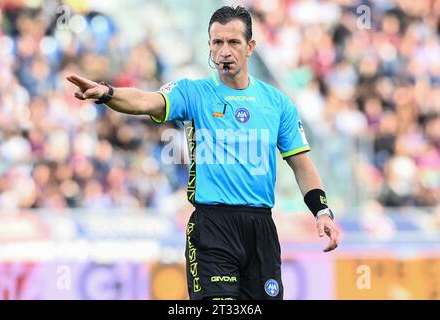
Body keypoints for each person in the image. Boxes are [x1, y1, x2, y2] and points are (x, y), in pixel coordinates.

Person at [66, 5, 339, 300]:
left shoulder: (278, 104)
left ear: (250, 47)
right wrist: (108, 94)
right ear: (208, 46)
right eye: (217, 42)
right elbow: (147, 102)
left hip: (261, 228)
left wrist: (321, 211)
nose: (224, 51)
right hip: (212, 227)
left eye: (233, 42)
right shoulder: (193, 93)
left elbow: (301, 164)